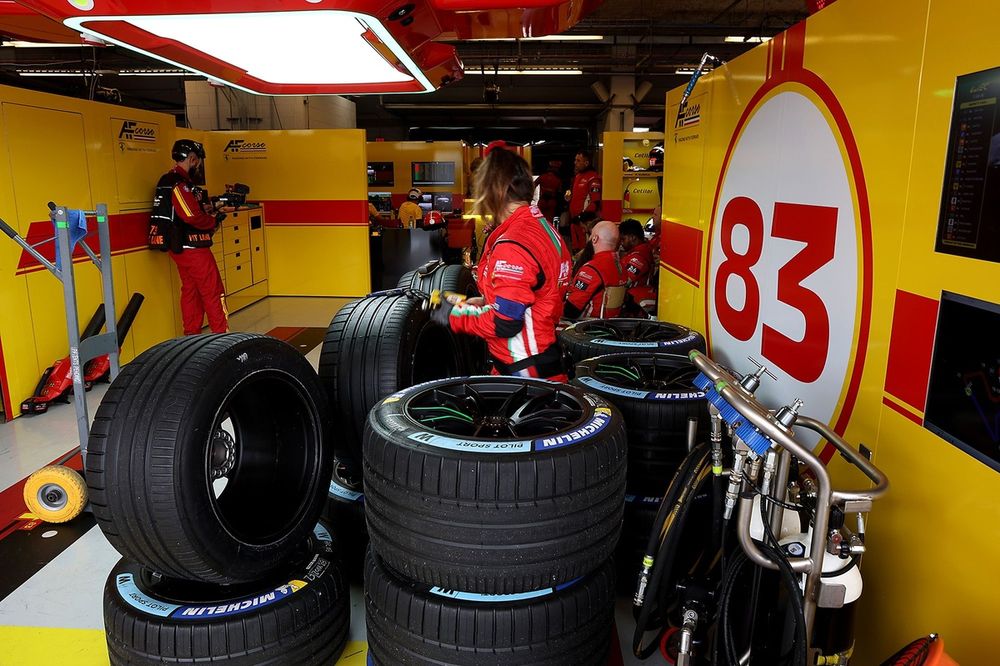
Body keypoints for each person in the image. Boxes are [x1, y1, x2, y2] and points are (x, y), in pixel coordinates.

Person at [431, 145, 572, 381]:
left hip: (526, 374)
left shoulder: (514, 243)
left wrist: (451, 313)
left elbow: (505, 323)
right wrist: (484, 302)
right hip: (539, 363)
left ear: (495, 190)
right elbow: (534, 296)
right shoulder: (543, 227)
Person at [149, 139, 229, 335]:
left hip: (179, 247)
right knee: (213, 290)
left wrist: (208, 208)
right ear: (192, 158)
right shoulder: (179, 184)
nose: (199, 165)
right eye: (198, 160)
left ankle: (191, 337)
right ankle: (222, 336)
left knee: (191, 291)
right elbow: (191, 216)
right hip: (192, 247)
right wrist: (212, 221)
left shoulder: (169, 181)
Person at [564, 220, 626, 320]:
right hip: (612, 322)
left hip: (589, 324)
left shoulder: (592, 269)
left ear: (595, 239)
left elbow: (571, 311)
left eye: (590, 235)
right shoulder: (621, 265)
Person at [565, 149, 602, 253]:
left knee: (584, 250)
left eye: (578, 160)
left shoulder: (593, 177)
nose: (575, 163)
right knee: (576, 250)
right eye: (575, 160)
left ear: (586, 163)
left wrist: (581, 218)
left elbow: (595, 202)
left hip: (584, 223)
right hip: (575, 221)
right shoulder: (577, 176)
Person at [619, 218, 655, 287]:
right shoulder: (638, 252)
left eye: (623, 239)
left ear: (633, 237)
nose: (621, 243)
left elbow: (623, 282)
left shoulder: (639, 257)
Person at [534, 160, 563, 225]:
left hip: (542, 200)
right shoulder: (558, 180)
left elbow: (533, 185)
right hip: (552, 202)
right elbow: (560, 192)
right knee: (549, 222)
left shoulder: (542, 176)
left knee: (539, 221)